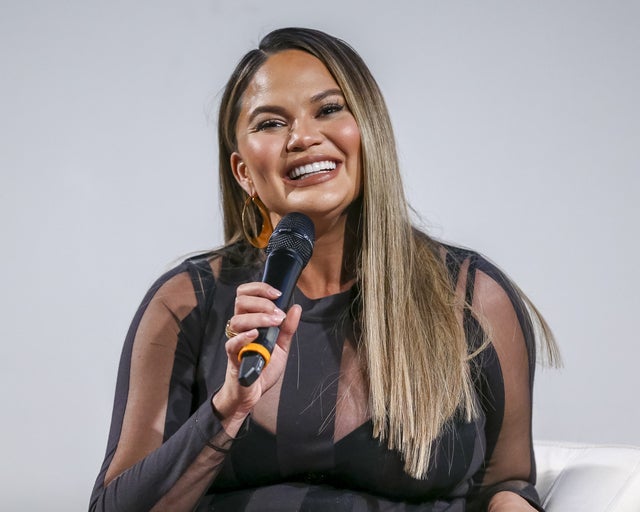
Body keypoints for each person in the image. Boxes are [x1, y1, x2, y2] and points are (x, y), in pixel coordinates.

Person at [89, 27, 559, 512]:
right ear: (244, 173)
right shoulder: (187, 302)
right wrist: (229, 408)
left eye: (329, 109)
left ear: (368, 132)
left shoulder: (470, 295)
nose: (303, 137)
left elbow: (505, 486)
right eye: (270, 123)